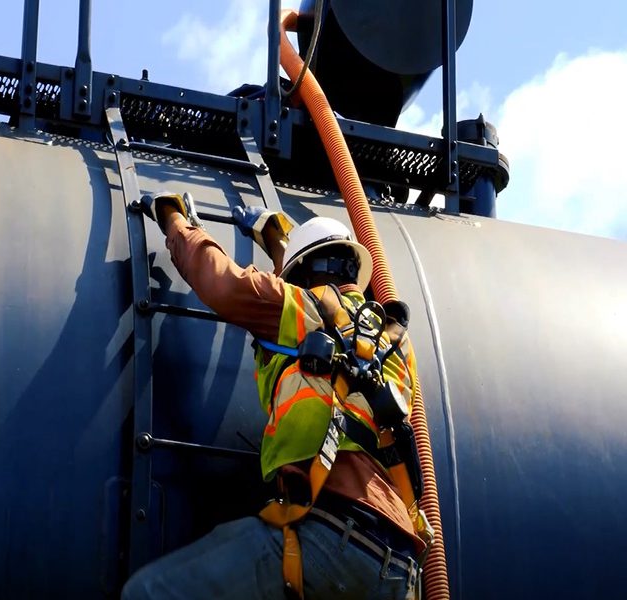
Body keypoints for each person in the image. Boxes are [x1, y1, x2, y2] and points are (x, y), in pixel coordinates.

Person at [121, 191, 427, 600]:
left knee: (147, 594)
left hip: (331, 539)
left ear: (301, 273)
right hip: (402, 571)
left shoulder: (297, 306)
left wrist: (173, 218)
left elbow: (222, 283)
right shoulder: (394, 342)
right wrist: (273, 232)